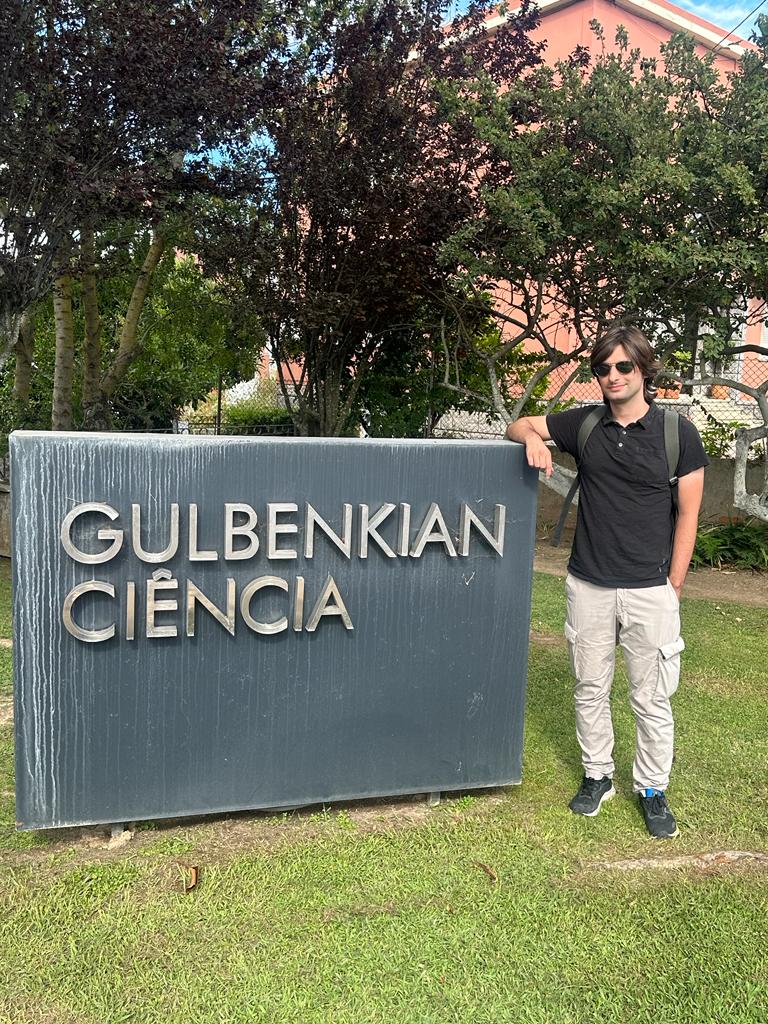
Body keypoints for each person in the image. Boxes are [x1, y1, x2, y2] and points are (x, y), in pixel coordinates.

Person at [507, 323, 708, 839]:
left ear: (643, 370)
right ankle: (598, 775)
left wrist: (673, 585)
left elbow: (688, 515)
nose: (612, 376)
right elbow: (518, 424)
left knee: (651, 696)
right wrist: (534, 440)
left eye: (623, 366)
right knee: (590, 687)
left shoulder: (676, 434)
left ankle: (651, 788)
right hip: (588, 584)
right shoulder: (585, 424)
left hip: (649, 588)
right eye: (602, 368)